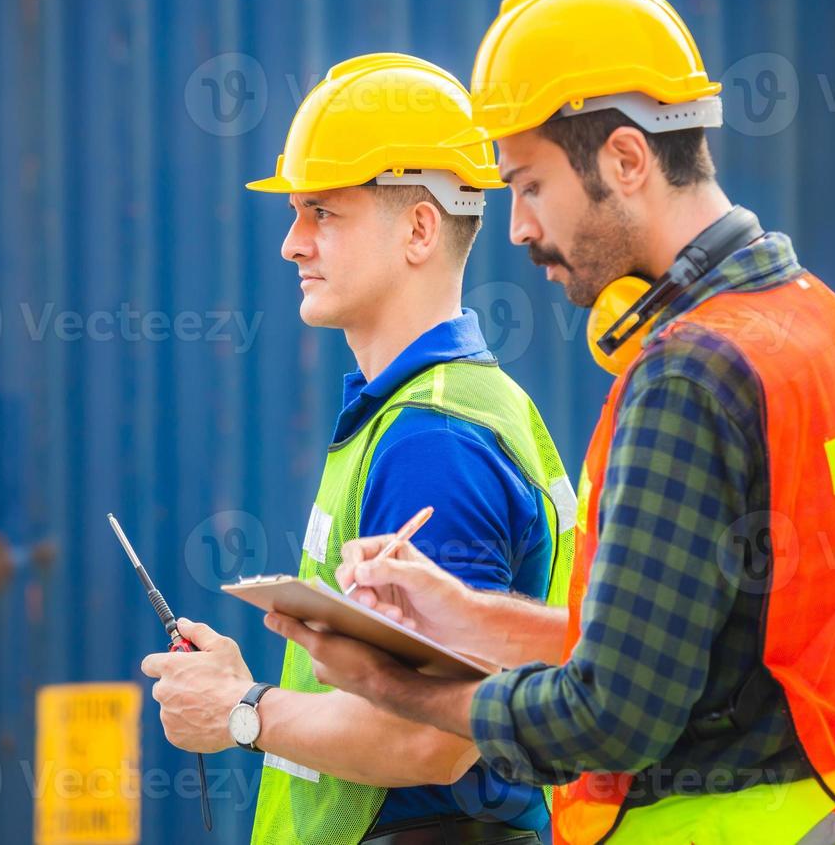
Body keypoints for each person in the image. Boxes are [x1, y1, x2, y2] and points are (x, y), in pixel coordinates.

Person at [265, 0, 835, 844]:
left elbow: (611, 715)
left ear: (623, 160)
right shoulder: (823, 323)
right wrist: (462, 615)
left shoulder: (690, 374)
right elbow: (669, 644)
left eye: (529, 186)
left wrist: (396, 689)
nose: (517, 227)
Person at [141, 53, 576, 845]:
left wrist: (241, 712)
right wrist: (247, 685)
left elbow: (432, 741)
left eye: (322, 213)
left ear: (418, 229)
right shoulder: (431, 411)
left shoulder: (434, 441)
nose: (292, 245)